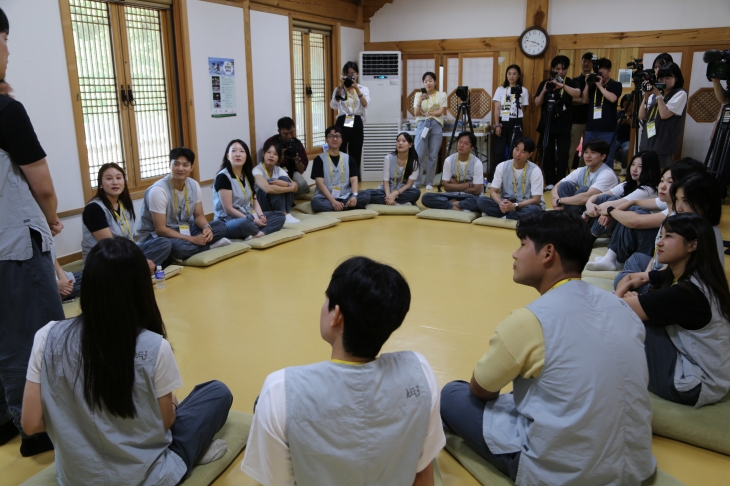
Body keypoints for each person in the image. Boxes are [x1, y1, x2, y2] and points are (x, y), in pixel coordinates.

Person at [440, 211, 654, 484]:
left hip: (566, 473)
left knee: (453, 394)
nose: (515, 254)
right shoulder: (621, 307)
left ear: (548, 253)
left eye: (522, 244)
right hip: (636, 463)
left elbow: (481, 390)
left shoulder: (529, 321)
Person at [21, 237, 234, 484]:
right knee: (216, 393)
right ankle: (191, 454)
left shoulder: (46, 336)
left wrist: (75, 417)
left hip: (75, 479)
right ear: (140, 287)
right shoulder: (154, 346)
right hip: (147, 477)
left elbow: (31, 423)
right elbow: (165, 422)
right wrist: (172, 403)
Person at [241, 256, 445, 485]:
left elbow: (277, 481)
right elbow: (422, 471)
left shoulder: (279, 390)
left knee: (264, 404)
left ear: (336, 315)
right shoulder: (421, 372)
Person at [0, 7, 65, 456]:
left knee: (5, 338)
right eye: (5, 42)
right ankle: (39, 432)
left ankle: (9, 416)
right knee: (37, 338)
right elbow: (41, 184)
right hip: (14, 247)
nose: (7, 52)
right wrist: (53, 217)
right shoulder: (6, 109)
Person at [616, 213, 730, 408]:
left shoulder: (688, 292)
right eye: (661, 236)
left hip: (693, 383)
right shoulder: (693, 274)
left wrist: (623, 296)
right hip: (708, 371)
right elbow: (634, 280)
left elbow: (612, 310)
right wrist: (633, 297)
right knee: (636, 300)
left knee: (627, 319)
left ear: (692, 245)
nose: (659, 243)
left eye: (669, 237)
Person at [587, 159, 704, 274]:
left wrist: (610, 211)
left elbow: (636, 221)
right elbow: (629, 201)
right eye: (662, 180)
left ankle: (597, 244)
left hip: (655, 255)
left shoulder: (677, 208)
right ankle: (610, 257)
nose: (662, 186)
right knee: (625, 207)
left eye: (670, 182)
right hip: (653, 254)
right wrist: (607, 210)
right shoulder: (666, 199)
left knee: (632, 213)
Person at [137, 147, 230, 261]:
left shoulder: (194, 185)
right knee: (174, 247)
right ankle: (209, 246)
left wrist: (207, 228)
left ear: (191, 167)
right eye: (176, 164)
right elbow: (160, 229)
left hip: (184, 229)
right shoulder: (158, 191)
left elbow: (199, 215)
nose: (180, 168)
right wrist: (192, 239)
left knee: (221, 226)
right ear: (169, 165)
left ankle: (190, 250)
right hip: (160, 237)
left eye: (185, 165)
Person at [81, 163, 171, 271]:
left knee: (164, 243)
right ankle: (137, 271)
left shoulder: (123, 204)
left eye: (119, 178)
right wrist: (141, 260)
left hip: (125, 251)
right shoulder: (94, 209)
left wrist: (138, 257)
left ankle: (135, 271)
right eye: (109, 179)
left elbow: (130, 239)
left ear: (124, 182)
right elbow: (110, 247)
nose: (115, 182)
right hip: (106, 258)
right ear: (100, 184)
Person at [213, 139, 285, 240]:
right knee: (246, 224)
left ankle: (258, 234)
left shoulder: (248, 175)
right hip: (229, 221)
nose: (238, 154)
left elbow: (254, 201)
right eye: (233, 151)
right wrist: (253, 220)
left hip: (250, 215)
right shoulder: (223, 177)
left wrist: (260, 216)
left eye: (242, 151)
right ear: (227, 156)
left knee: (280, 216)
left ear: (246, 156)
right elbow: (228, 209)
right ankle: (256, 229)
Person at [584, 151, 661, 237]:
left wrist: (586, 213)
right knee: (604, 197)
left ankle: (590, 235)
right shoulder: (629, 184)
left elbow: (613, 205)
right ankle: (584, 230)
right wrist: (589, 203)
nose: (634, 169)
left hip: (642, 231)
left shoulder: (647, 190)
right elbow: (598, 195)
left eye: (640, 167)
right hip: (622, 224)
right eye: (633, 164)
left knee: (614, 202)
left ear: (650, 169)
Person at [534, 55, 581, 188]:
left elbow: (577, 94)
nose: (560, 71)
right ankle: (549, 181)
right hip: (547, 122)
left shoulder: (570, 82)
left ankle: (560, 181)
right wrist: (544, 90)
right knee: (546, 151)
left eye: (563, 69)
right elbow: (537, 103)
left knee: (563, 153)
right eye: (558, 68)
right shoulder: (546, 83)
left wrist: (563, 85)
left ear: (567, 69)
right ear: (553, 68)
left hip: (564, 124)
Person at [477, 136, 544, 220]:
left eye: (523, 152)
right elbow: (493, 192)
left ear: (530, 154)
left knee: (535, 210)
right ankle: (511, 215)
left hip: (524, 205)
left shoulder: (535, 170)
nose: (518, 154)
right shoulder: (502, 166)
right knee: (481, 201)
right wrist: (501, 203)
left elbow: (536, 199)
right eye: (516, 149)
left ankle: (504, 216)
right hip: (505, 204)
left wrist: (515, 206)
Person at [310, 126, 371, 212]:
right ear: (326, 140)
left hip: (345, 195)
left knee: (366, 195)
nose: (334, 139)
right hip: (326, 197)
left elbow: (354, 180)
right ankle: (348, 206)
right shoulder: (319, 160)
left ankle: (343, 206)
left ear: (342, 139)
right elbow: (320, 184)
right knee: (316, 203)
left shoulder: (349, 158)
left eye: (337, 136)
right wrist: (333, 201)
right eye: (331, 136)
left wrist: (354, 196)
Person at [639, 62, 688, 168]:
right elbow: (642, 116)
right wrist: (647, 95)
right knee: (645, 176)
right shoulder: (655, 94)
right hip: (647, 143)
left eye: (668, 78)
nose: (664, 81)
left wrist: (658, 95)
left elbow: (664, 114)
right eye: (661, 78)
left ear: (677, 78)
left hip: (663, 146)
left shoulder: (680, 93)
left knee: (660, 177)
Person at [551, 140, 619, 214]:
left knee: (583, 190)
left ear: (603, 156)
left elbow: (587, 197)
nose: (588, 156)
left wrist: (559, 201)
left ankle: (571, 219)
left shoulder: (607, 174)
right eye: (586, 152)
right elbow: (557, 186)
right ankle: (569, 218)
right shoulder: (582, 170)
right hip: (581, 208)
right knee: (564, 185)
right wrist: (555, 198)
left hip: (600, 211)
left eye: (593, 153)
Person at [421, 132, 483, 212]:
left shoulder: (477, 163)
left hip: (470, 197)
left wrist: (456, 185)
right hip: (451, 195)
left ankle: (452, 204)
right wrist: (469, 184)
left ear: (471, 148)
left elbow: (477, 190)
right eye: (460, 142)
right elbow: (446, 186)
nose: (461, 145)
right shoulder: (449, 160)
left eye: (465, 143)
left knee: (482, 202)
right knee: (426, 197)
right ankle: (459, 206)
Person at [580, 58, 623, 168]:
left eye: (602, 71)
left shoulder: (616, 85)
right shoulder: (592, 85)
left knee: (607, 159)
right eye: (598, 70)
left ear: (609, 71)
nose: (600, 74)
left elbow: (613, 98)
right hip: (591, 128)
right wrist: (587, 84)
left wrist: (600, 86)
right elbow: (584, 100)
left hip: (607, 129)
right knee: (589, 158)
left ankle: (606, 184)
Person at [366, 132, 421, 206]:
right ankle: (398, 202)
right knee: (367, 193)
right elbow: (386, 181)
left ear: (410, 145)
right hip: (387, 191)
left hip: (403, 191)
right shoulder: (388, 158)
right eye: (398, 141)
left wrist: (395, 194)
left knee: (416, 192)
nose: (400, 143)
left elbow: (409, 184)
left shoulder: (414, 162)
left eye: (404, 141)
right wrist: (389, 196)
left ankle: (390, 201)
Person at [330, 61, 369, 165]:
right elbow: (333, 106)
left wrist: (357, 89)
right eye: (348, 74)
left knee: (356, 151)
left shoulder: (363, 89)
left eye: (353, 73)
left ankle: (354, 178)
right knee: (340, 150)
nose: (351, 76)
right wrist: (340, 88)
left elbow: (365, 104)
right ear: (344, 75)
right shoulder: (339, 90)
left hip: (356, 121)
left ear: (357, 74)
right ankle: (341, 176)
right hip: (342, 120)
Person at [413, 71, 447, 189]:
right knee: (419, 154)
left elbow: (440, 112)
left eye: (430, 80)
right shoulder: (418, 95)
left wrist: (426, 113)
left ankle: (429, 182)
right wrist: (420, 101)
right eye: (426, 81)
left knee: (433, 155)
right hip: (422, 124)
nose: (428, 83)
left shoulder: (442, 95)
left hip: (436, 125)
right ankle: (417, 182)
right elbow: (416, 113)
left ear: (435, 82)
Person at [253, 139, 300, 224]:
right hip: (261, 205)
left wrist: (286, 184)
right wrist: (289, 187)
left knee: (284, 179)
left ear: (279, 158)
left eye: (275, 154)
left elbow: (295, 186)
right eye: (269, 152)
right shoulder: (256, 170)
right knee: (271, 182)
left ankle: (287, 213)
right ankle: (283, 214)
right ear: (263, 153)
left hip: (275, 204)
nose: (271, 156)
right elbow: (268, 189)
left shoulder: (278, 169)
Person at [492, 65, 529, 169]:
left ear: (518, 76)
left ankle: (513, 174)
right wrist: (497, 125)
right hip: (502, 122)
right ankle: (495, 177)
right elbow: (497, 109)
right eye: (509, 73)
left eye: (514, 74)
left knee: (515, 150)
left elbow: (523, 109)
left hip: (516, 122)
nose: (511, 76)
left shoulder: (523, 91)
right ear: (506, 75)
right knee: (498, 150)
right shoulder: (500, 89)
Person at [262, 117, 309, 196]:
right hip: (274, 173)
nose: (289, 136)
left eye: (292, 132)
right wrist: (279, 159)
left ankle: (288, 195)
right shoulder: (271, 142)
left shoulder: (297, 143)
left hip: (292, 172)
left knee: (301, 184)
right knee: (274, 185)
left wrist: (297, 159)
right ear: (279, 131)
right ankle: (288, 195)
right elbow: (266, 167)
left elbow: (301, 171)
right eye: (286, 134)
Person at [569, 52, 594, 171]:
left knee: (588, 150)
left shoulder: (595, 80)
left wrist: (583, 100)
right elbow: (571, 99)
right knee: (571, 148)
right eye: (584, 61)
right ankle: (566, 172)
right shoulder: (574, 81)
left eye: (589, 61)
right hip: (576, 119)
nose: (586, 63)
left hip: (592, 120)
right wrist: (584, 100)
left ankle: (582, 173)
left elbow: (594, 100)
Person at [614, 94, 633, 175]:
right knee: (610, 148)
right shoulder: (619, 113)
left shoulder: (635, 115)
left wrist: (630, 122)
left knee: (626, 150)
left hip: (628, 140)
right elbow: (614, 126)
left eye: (629, 104)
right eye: (625, 104)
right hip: (618, 138)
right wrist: (619, 123)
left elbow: (636, 128)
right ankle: (618, 162)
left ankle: (624, 167)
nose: (627, 106)